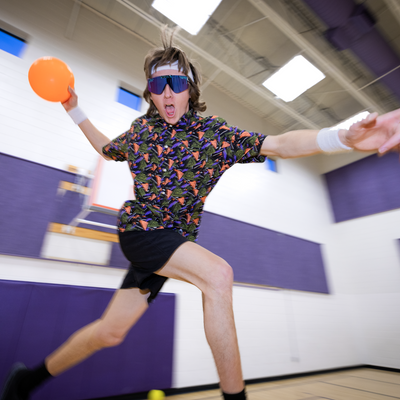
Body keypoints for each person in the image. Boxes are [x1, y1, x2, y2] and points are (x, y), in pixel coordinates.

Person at [2, 29, 400, 400]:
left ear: (190, 89)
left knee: (110, 332)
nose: (168, 93)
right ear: (151, 93)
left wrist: (342, 137)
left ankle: (26, 381)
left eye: (177, 83)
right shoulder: (141, 133)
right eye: (159, 86)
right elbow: (107, 149)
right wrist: (74, 109)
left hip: (171, 245)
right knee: (218, 275)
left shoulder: (214, 135)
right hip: (142, 231)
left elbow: (278, 144)